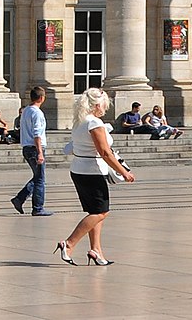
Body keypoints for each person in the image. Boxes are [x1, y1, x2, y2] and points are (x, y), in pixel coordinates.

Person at [56, 87, 135, 267]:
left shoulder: (80, 122)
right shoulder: (94, 123)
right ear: (97, 105)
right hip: (92, 171)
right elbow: (105, 153)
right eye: (104, 105)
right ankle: (69, 244)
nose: (105, 109)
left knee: (94, 212)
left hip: (79, 169)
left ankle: (96, 250)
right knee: (101, 212)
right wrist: (124, 172)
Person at [10, 85, 50, 216]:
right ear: (42, 98)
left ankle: (19, 199)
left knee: (38, 177)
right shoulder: (37, 113)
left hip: (27, 147)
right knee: (40, 179)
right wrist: (39, 152)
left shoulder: (26, 110)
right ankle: (37, 208)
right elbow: (37, 134)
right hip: (34, 148)